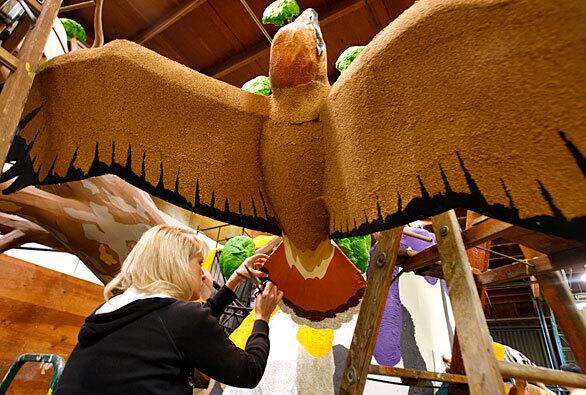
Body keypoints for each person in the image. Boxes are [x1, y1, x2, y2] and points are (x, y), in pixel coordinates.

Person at [56, 224, 283, 394]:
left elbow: (182, 327)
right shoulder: (179, 319)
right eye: (199, 262)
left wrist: (233, 281)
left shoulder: (111, 310)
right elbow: (248, 371)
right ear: (177, 263)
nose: (204, 274)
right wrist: (261, 317)